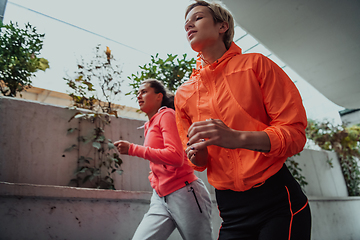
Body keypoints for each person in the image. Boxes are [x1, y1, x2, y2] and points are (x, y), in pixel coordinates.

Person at [174, 1, 312, 239]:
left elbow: (295, 134)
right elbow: (197, 161)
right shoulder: (183, 94)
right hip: (230, 210)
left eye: (197, 17)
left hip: (278, 202)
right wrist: (197, 155)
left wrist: (237, 138)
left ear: (222, 26)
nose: (188, 23)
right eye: (186, 21)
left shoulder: (256, 64)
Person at [114, 79, 214, 240]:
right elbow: (160, 157)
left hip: (184, 193)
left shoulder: (167, 114)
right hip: (160, 197)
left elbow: (175, 157)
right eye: (138, 93)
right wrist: (156, 175)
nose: (139, 95)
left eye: (144, 91)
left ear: (159, 96)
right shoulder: (150, 124)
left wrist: (132, 149)